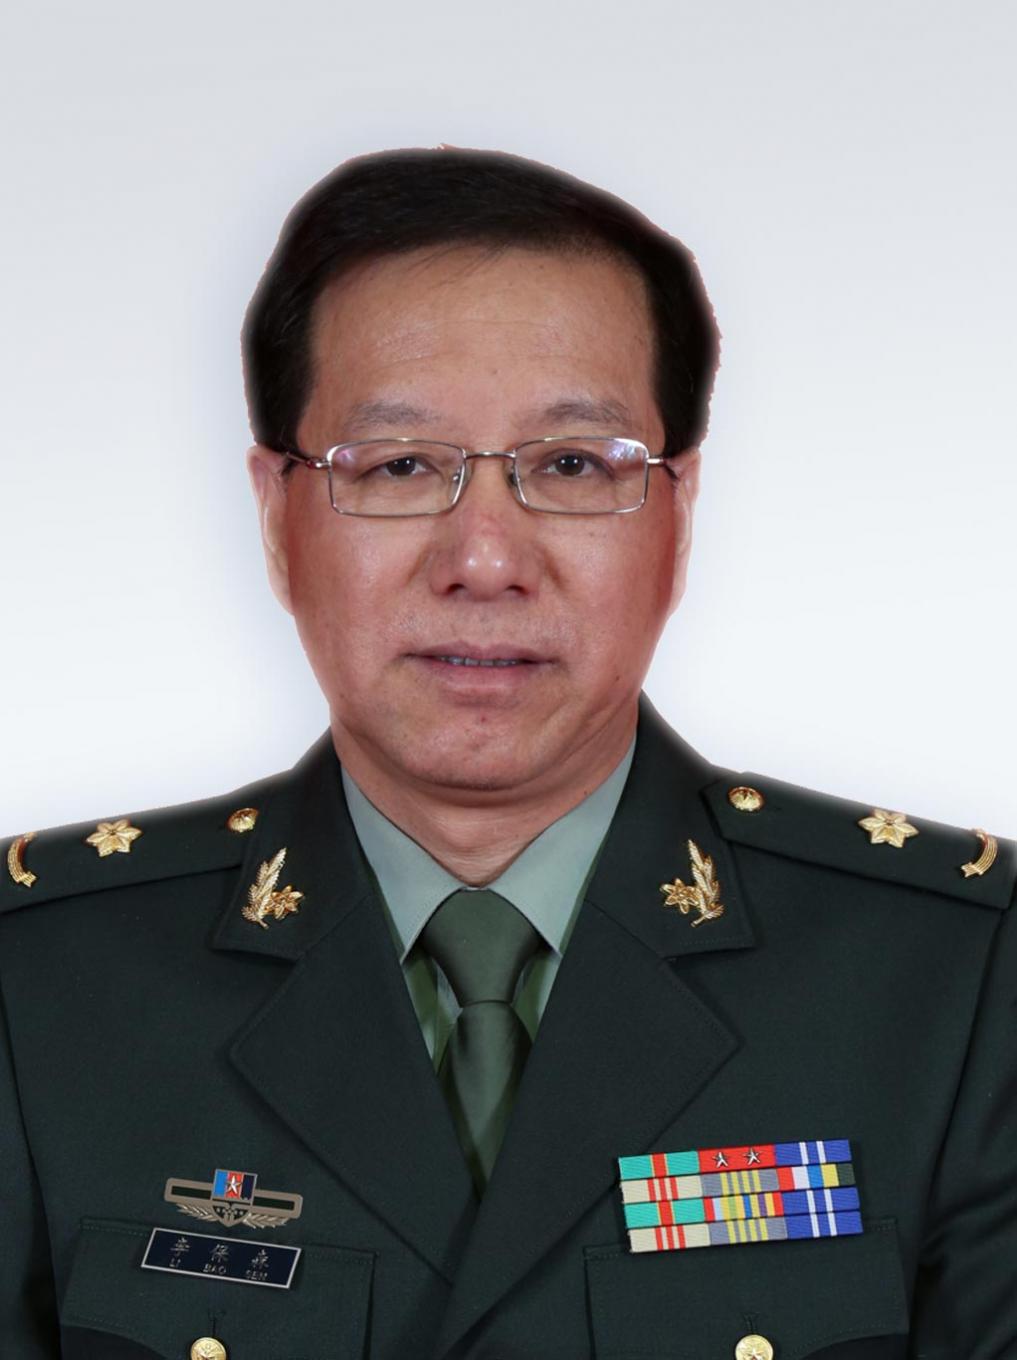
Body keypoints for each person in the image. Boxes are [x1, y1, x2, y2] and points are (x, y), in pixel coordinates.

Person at [1, 147, 1014, 1360]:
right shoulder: (36, 984)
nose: (485, 559)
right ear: (277, 516)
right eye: (399, 466)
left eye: (574, 466)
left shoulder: (961, 982)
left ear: (680, 513)